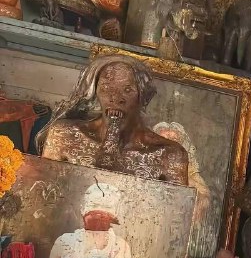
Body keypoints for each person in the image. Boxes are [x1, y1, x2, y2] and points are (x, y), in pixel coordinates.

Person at [39, 54, 188, 185]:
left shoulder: (168, 154)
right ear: (95, 91)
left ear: (143, 97)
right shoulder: (65, 136)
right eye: (106, 88)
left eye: (127, 90)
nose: (115, 98)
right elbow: (42, 196)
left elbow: (176, 207)